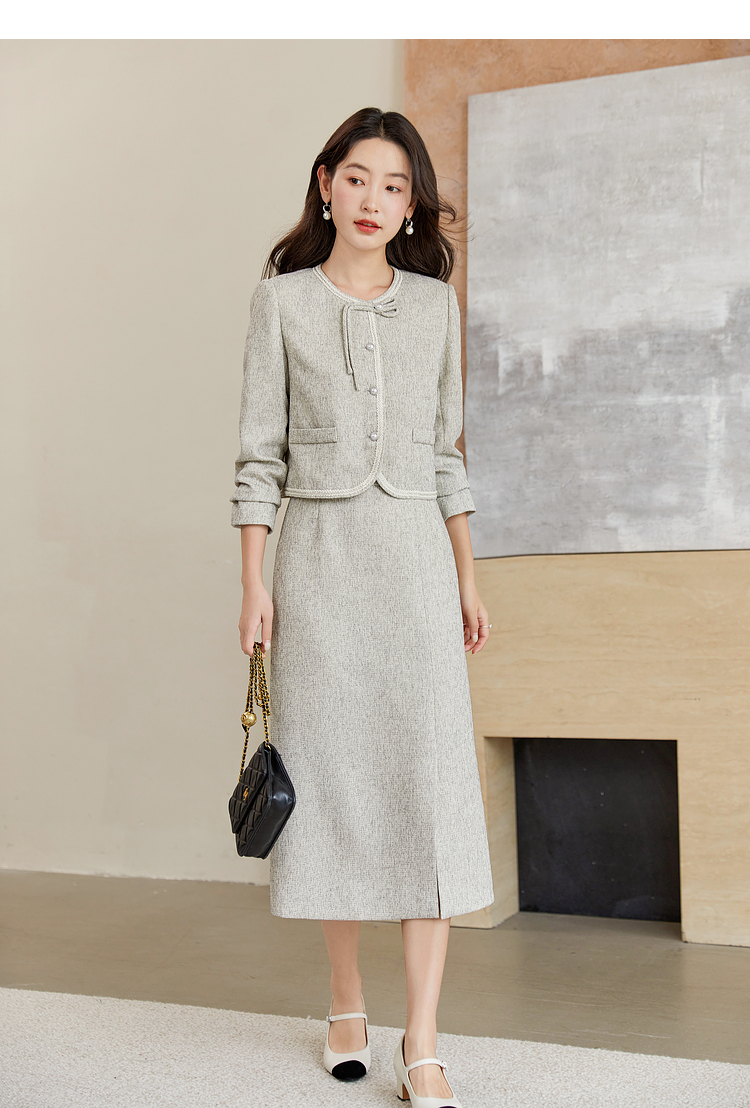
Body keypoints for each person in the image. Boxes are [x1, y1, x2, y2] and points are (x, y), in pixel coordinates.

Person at [231, 106, 494, 1108]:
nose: (375, 200)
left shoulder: (434, 307)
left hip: (417, 565)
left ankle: (422, 1039)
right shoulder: (282, 304)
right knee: (334, 788)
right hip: (320, 571)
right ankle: (347, 1001)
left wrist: (466, 574)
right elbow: (259, 459)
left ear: (411, 203)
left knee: (428, 791)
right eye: (357, 179)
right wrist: (254, 582)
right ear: (326, 185)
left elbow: (444, 452)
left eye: (394, 185)